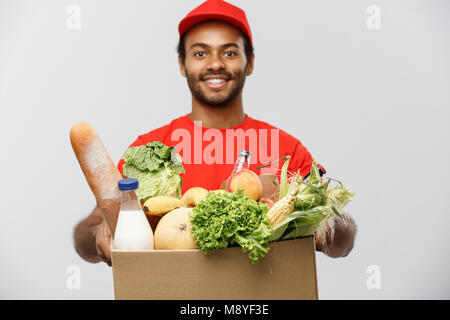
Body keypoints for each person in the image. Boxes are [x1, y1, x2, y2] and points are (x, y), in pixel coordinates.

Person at [73, 0, 357, 266]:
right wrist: (99, 234)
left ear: (251, 62)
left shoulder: (285, 148)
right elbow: (87, 234)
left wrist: (328, 226)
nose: (215, 63)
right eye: (200, 53)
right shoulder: (150, 150)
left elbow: (344, 241)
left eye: (230, 52)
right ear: (183, 64)